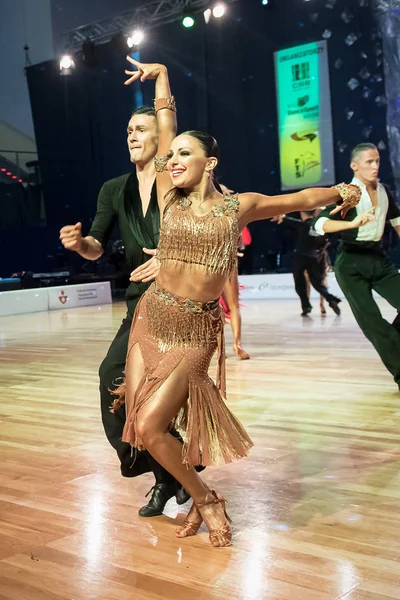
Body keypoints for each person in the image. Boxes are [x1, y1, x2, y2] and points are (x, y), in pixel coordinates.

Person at [113, 57, 360, 548]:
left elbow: (297, 197)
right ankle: (198, 493)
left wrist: (342, 190)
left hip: (194, 332)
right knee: (137, 427)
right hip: (152, 316)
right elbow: (166, 125)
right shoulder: (167, 194)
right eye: (172, 153)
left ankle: (205, 499)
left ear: (211, 162)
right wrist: (162, 78)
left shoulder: (238, 206)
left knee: (149, 422)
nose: (174, 158)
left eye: (186, 153)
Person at [59, 106, 192, 518]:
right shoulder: (113, 190)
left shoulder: (178, 180)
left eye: (141, 130)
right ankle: (167, 472)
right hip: (139, 303)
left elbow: (200, 227)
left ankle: (175, 474)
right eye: (128, 130)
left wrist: (170, 257)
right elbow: (97, 244)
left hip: (181, 300)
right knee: (110, 380)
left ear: (160, 139)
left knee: (154, 395)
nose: (132, 136)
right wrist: (81, 245)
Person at [314, 142, 400, 390]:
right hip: (351, 263)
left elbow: (395, 218)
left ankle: (393, 342)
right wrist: (350, 225)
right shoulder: (347, 193)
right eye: (369, 162)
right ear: (355, 166)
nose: (375, 167)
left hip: (379, 260)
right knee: (372, 321)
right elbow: (320, 224)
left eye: (377, 161)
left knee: (384, 328)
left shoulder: (383, 190)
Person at [283, 210, 340, 317]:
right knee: (317, 283)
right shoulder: (318, 226)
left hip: (302, 256)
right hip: (316, 257)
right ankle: (331, 298)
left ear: (302, 214)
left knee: (300, 283)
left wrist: (284, 218)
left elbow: (293, 222)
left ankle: (306, 306)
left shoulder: (303, 224)